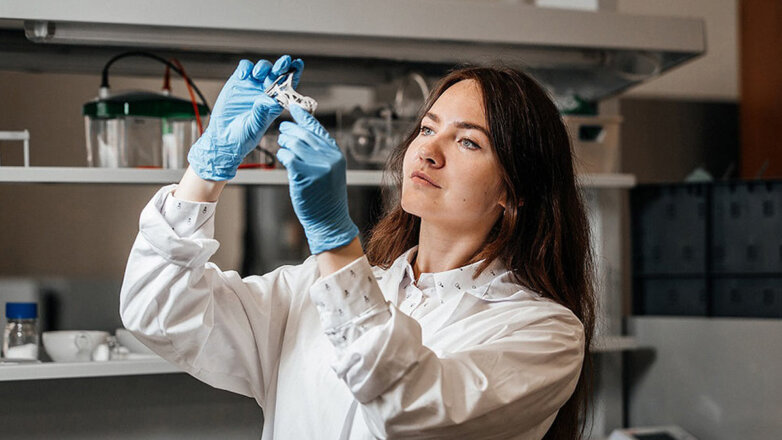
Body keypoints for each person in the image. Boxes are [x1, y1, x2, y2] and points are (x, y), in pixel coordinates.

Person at [120, 54, 595, 440]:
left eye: (468, 142)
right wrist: (207, 168)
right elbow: (159, 311)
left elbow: (410, 413)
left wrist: (336, 240)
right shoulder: (311, 290)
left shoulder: (543, 334)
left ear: (514, 189)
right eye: (427, 129)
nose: (428, 151)